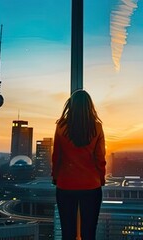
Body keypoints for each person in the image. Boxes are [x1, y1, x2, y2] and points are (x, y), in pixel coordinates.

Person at [51, 89, 106, 240]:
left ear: (71, 105)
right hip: (91, 185)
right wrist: (101, 178)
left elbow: (57, 155)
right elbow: (100, 157)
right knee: (89, 233)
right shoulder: (97, 127)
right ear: (90, 106)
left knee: (68, 232)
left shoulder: (61, 126)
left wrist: (55, 177)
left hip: (65, 184)